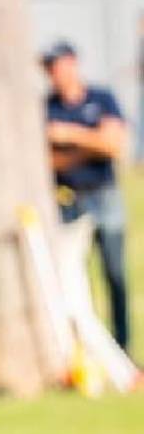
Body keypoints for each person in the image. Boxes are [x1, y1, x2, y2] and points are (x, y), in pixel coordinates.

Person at [43, 40, 130, 351]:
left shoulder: (101, 98)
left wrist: (69, 136)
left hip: (104, 196)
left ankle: (123, 346)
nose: (55, 72)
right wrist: (92, 145)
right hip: (68, 199)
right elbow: (47, 161)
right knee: (71, 280)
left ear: (73, 63)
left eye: (59, 64)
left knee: (115, 274)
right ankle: (83, 350)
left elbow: (115, 146)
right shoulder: (46, 106)